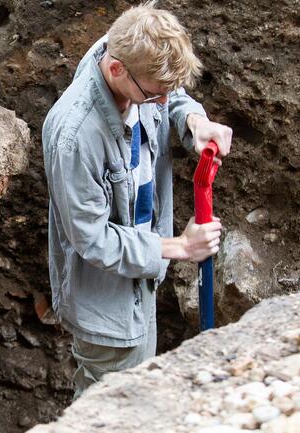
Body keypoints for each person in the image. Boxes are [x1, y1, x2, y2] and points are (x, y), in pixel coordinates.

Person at [42, 1, 233, 398]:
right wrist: (179, 246)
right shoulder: (75, 136)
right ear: (116, 70)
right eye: (154, 96)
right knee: (108, 407)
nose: (162, 102)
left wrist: (193, 120)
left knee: (136, 388)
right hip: (106, 304)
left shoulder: (124, 53)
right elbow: (91, 238)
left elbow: (171, 93)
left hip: (140, 278)